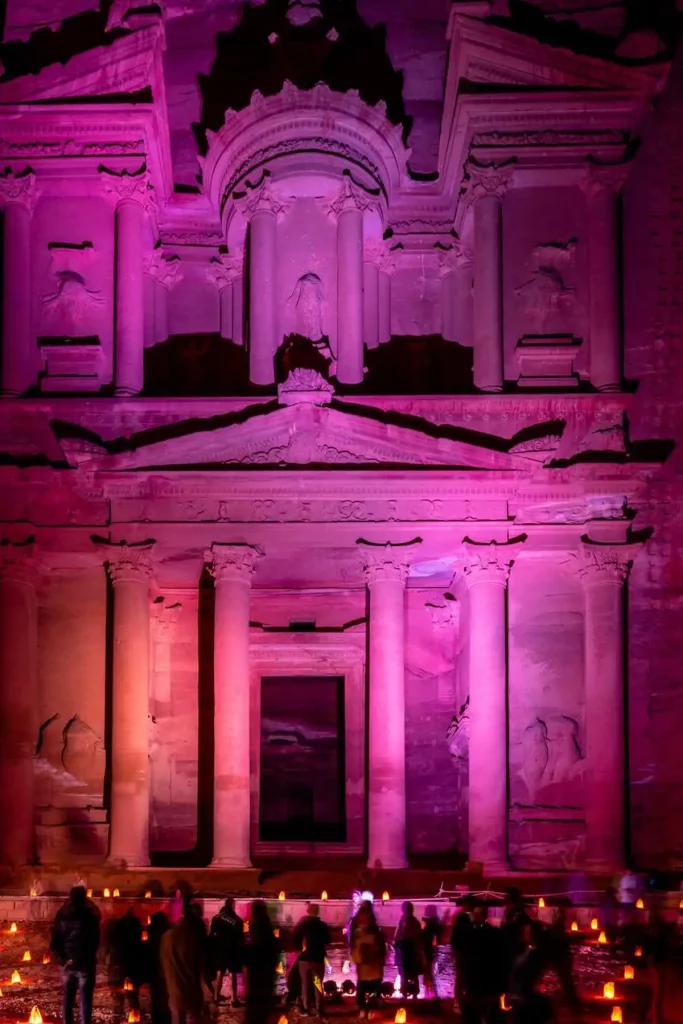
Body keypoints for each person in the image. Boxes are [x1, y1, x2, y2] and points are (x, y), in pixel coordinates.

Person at [50, 885, 100, 1024]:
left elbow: (55, 940)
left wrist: (64, 959)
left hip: (68, 963)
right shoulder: (90, 915)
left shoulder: (63, 914)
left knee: (68, 999)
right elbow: (94, 940)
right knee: (85, 1000)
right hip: (85, 963)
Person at [161, 897, 210, 1024]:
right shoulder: (192, 937)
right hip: (192, 992)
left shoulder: (167, 936)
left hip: (174, 991)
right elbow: (200, 966)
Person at [457, 901, 506, 1024]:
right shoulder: (493, 933)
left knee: (478, 1015)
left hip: (479, 983)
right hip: (486, 984)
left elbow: (466, 958)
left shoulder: (471, 934)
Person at [508, 920, 552, 1024]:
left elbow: (529, 975)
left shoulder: (537, 955)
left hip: (528, 1000)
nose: (525, 934)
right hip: (521, 997)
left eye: (528, 932)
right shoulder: (528, 951)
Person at [294, 903, 332, 1018]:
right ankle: (319, 1009)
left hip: (304, 959)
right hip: (317, 959)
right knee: (317, 984)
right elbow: (328, 940)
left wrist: (300, 950)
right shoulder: (323, 926)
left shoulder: (302, 926)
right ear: (318, 912)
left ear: (308, 911)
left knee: (305, 984)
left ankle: (305, 1008)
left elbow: (296, 940)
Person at [244, 901, 278, 1024]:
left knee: (255, 1013)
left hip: (256, 980)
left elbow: (248, 956)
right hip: (266, 980)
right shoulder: (268, 929)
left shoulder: (256, 928)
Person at [350, 902, 386, 1019]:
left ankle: (372, 1008)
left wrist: (374, 953)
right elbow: (353, 946)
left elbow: (381, 949)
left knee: (374, 989)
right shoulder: (357, 932)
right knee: (362, 988)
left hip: (374, 967)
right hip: (363, 967)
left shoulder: (376, 933)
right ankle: (363, 1008)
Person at [108, 906, 144, 1015]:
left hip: (119, 966)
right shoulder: (136, 941)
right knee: (132, 996)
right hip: (131, 966)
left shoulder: (117, 939)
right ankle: (133, 1014)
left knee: (119, 997)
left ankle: (119, 1015)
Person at [209, 898, 244, 1007]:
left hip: (221, 950)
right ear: (232, 905)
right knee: (233, 974)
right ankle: (234, 999)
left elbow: (212, 935)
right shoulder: (238, 920)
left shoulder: (216, 918)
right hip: (233, 950)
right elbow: (240, 937)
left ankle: (216, 997)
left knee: (220, 972)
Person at [500, 888, 532, 986]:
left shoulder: (514, 910)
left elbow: (509, 926)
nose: (504, 898)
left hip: (514, 945)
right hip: (516, 945)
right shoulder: (518, 909)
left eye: (507, 896)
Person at [451, 895, 476, 1012]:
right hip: (463, 952)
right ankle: (458, 1003)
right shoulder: (462, 918)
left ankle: (465, 1002)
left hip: (468, 953)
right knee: (461, 978)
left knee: (466, 978)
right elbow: (456, 937)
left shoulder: (471, 917)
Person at [146, 911, 171, 1024]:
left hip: (155, 972)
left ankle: (158, 1019)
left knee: (157, 1000)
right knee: (163, 999)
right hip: (163, 971)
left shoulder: (151, 935)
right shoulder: (167, 936)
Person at [395, 901, 423, 997]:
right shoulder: (402, 920)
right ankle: (404, 995)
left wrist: (417, 952)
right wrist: (397, 943)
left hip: (411, 949)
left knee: (413, 974)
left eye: (408, 908)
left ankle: (415, 995)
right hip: (403, 949)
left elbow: (418, 938)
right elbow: (399, 934)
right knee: (404, 974)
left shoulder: (415, 922)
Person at [421, 906, 441, 1000]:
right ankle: (430, 993)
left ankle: (429, 993)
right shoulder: (431, 929)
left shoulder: (427, 930)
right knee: (428, 972)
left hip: (428, 952)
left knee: (428, 972)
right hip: (429, 952)